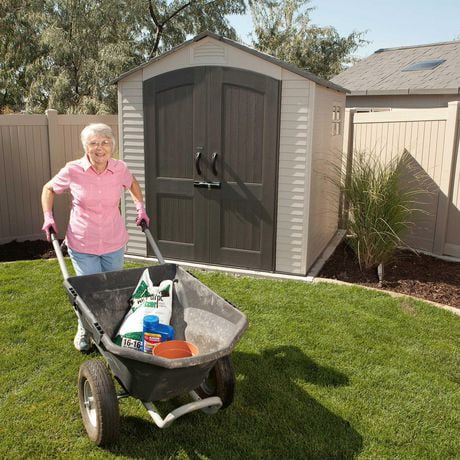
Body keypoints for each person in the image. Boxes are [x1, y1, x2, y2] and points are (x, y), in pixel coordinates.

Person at [41, 123, 150, 352]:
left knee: (111, 290)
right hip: (83, 242)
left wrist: (141, 208)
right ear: (85, 146)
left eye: (105, 142)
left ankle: (110, 328)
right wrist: (48, 217)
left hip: (113, 241)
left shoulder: (119, 168)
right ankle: (84, 329)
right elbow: (48, 189)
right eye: (93, 143)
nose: (100, 148)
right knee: (88, 292)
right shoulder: (73, 170)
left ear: (112, 145)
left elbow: (132, 184)